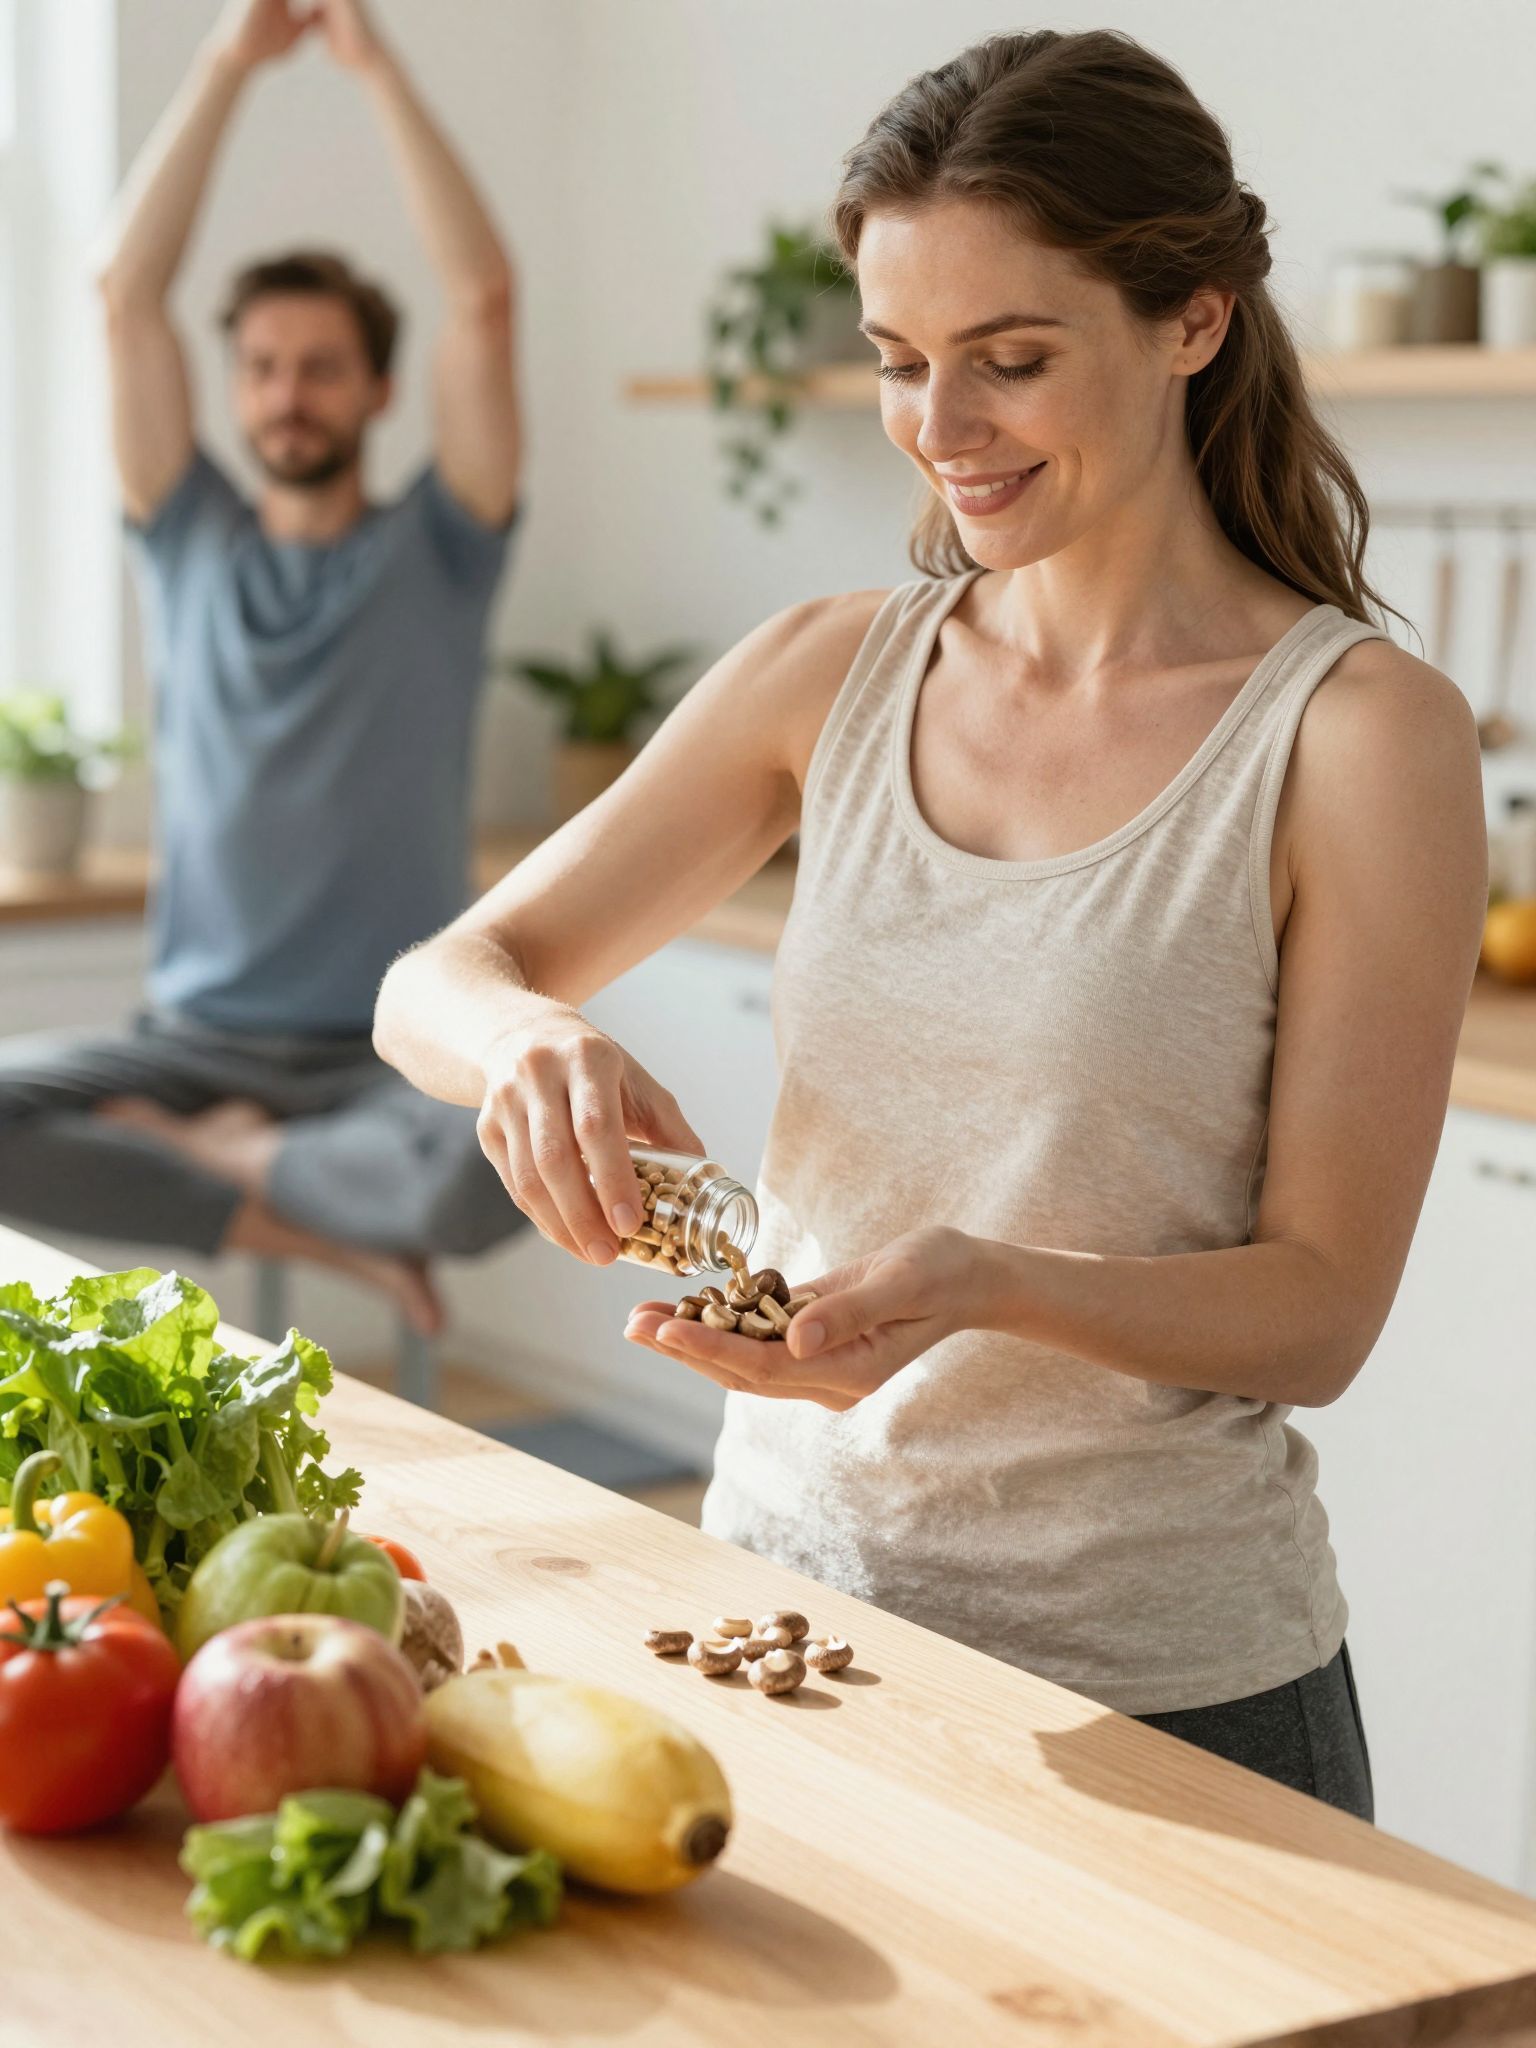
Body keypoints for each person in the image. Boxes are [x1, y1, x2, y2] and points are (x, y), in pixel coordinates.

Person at [371, 28, 1487, 1811]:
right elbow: (439, 979)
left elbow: (1320, 1311)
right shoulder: (830, 671)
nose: (940, 431)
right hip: (785, 1624)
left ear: (1192, 320)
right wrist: (529, 1043)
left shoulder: (1357, 739)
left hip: (1166, 1695)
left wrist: (989, 1286)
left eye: (1011, 360)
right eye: (900, 362)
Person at [0, 0, 527, 1334]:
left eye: (324, 369)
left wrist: (374, 65)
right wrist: (226, 59)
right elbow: (124, 296)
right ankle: (295, 1212)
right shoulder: (186, 538)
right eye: (265, 368)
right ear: (235, 388)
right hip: (192, 1043)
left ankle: (229, 1160)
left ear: (378, 391)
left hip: (391, 1046)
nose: (290, 395)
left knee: (503, 1170)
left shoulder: (442, 549)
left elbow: (482, 300)